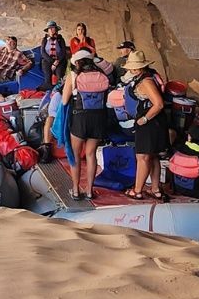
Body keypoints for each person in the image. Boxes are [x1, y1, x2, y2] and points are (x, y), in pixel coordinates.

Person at [61, 50, 111, 200]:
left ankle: (76, 191)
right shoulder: (101, 75)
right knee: (91, 155)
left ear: (77, 62)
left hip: (80, 118)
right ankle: (89, 191)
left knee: (75, 155)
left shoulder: (74, 76)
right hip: (99, 118)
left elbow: (64, 101)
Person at [122, 51, 170, 200]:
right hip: (156, 123)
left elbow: (159, 104)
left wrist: (144, 119)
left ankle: (137, 190)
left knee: (142, 157)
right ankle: (155, 189)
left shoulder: (146, 82)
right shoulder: (150, 77)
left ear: (136, 69)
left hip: (149, 123)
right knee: (153, 156)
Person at [38, 21, 69, 91]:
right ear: (48, 31)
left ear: (56, 30)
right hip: (48, 60)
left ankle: (60, 88)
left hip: (59, 61)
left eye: (53, 28)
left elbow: (63, 51)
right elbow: (43, 52)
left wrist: (57, 61)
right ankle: (47, 85)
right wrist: (52, 62)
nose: (52, 30)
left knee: (59, 76)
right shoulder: (44, 40)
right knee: (47, 76)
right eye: (50, 29)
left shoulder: (60, 39)